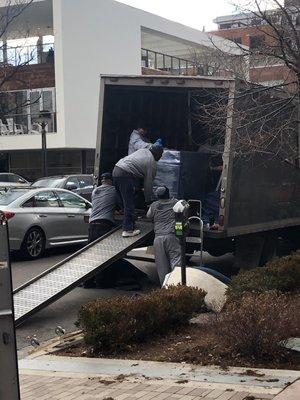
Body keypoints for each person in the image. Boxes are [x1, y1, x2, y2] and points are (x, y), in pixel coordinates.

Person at [113, 143, 163, 237]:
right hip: (125, 174)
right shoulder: (151, 162)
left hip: (116, 169)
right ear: (157, 154)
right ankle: (127, 230)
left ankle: (129, 222)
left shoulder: (143, 151)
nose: (160, 158)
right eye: (160, 155)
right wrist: (148, 201)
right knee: (129, 203)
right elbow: (148, 185)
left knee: (123, 202)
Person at [147, 186, 181, 285]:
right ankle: (177, 286)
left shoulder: (154, 205)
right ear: (168, 193)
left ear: (158, 195)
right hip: (171, 236)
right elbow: (184, 211)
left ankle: (165, 287)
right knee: (176, 261)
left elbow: (149, 216)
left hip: (158, 237)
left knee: (161, 265)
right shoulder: (175, 203)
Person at [88, 172, 120, 242]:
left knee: (92, 248)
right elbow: (120, 203)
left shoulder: (95, 190)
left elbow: (101, 203)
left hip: (92, 222)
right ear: (110, 181)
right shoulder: (114, 190)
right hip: (104, 223)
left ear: (102, 181)